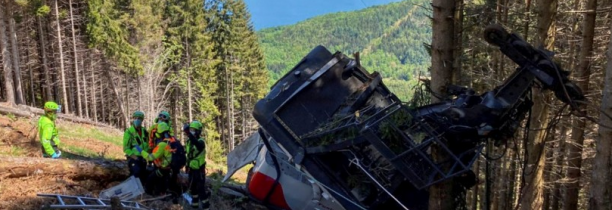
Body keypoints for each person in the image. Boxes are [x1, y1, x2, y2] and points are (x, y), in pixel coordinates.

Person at [136, 122, 173, 196]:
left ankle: (148, 195)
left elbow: (150, 157)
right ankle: (162, 195)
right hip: (168, 168)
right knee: (161, 183)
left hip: (163, 169)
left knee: (150, 179)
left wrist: (141, 151)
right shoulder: (170, 142)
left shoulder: (162, 145)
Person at [183, 120, 209, 209]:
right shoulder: (188, 142)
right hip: (191, 170)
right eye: (190, 129)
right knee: (193, 190)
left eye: (193, 130)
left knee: (201, 191)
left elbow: (197, 144)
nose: (191, 131)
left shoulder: (201, 142)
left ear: (198, 131)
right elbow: (187, 154)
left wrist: (188, 133)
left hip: (199, 171)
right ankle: (195, 207)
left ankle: (206, 207)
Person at [123, 111, 149, 180]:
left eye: (139, 118)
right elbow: (126, 148)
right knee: (136, 173)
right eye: (135, 118)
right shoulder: (129, 132)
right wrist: (135, 157)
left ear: (142, 120)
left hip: (143, 158)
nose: (137, 120)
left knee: (143, 176)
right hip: (134, 158)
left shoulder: (144, 131)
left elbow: (147, 144)